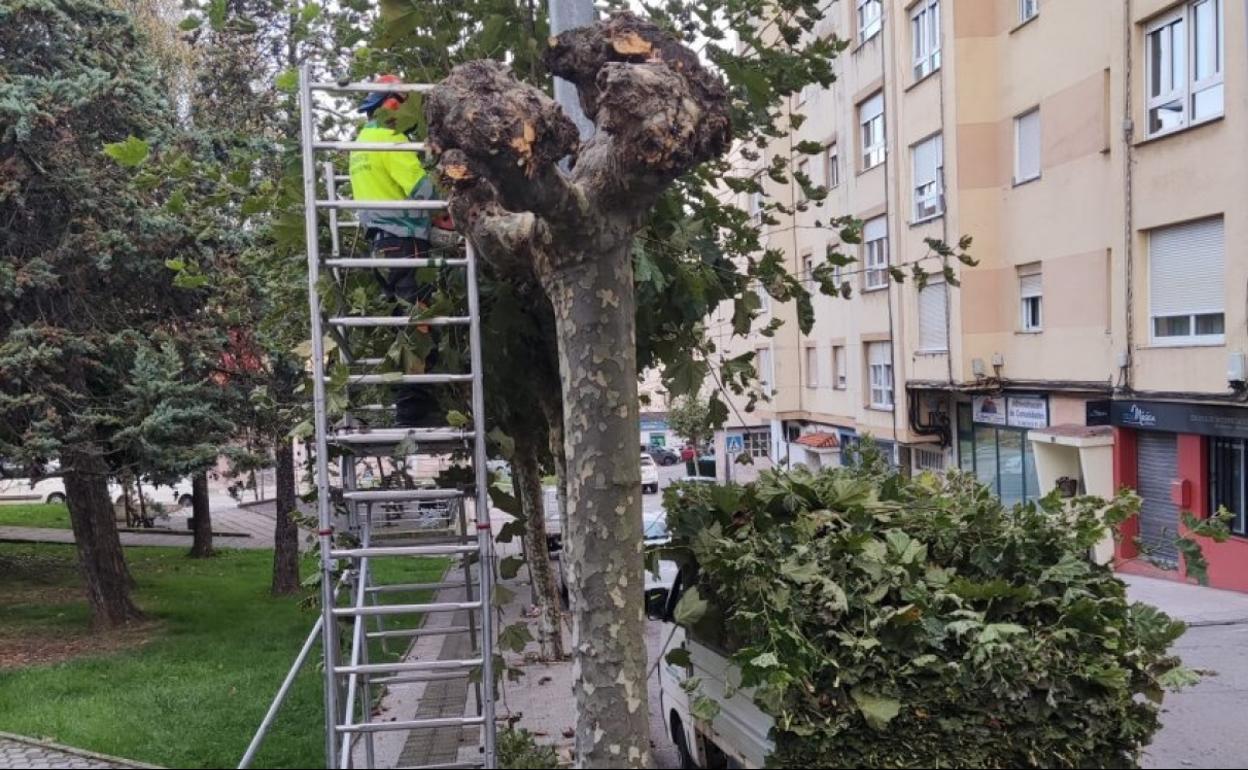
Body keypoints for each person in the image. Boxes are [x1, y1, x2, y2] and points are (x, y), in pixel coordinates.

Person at [349, 75, 442, 427]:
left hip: (381, 242)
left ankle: (410, 406)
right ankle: (413, 411)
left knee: (403, 321)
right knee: (418, 324)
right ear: (394, 105)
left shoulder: (362, 141)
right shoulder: (391, 139)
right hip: (404, 239)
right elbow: (423, 190)